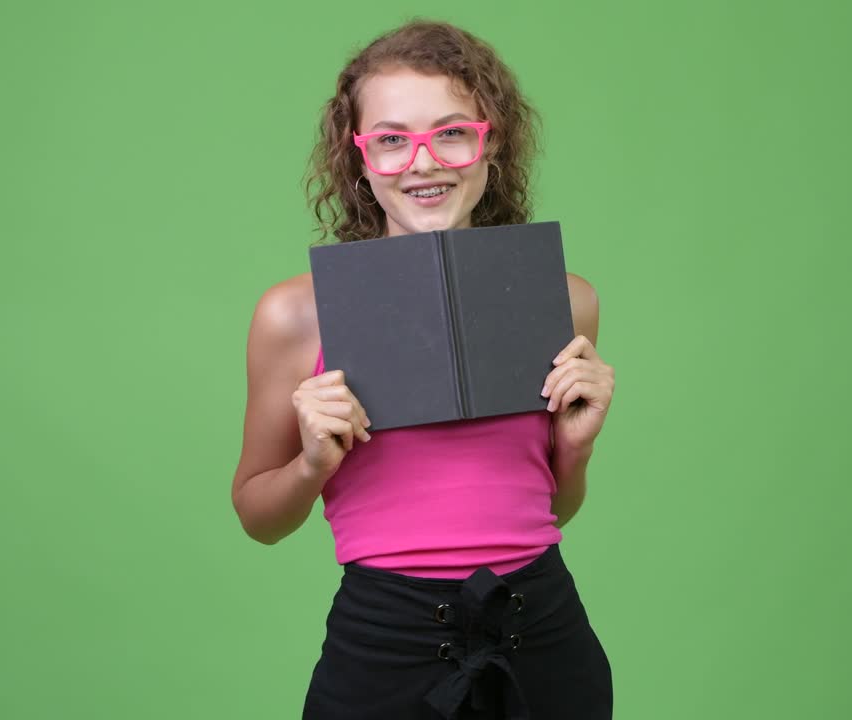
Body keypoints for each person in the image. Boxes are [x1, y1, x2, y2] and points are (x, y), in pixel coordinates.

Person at [231, 20, 616, 720]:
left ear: (488, 140)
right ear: (360, 159)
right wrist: (313, 462)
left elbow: (550, 510)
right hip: (386, 647)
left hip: (546, 637)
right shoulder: (295, 315)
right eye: (391, 140)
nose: (423, 162)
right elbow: (258, 516)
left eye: (450, 132)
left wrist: (576, 448)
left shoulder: (563, 300)